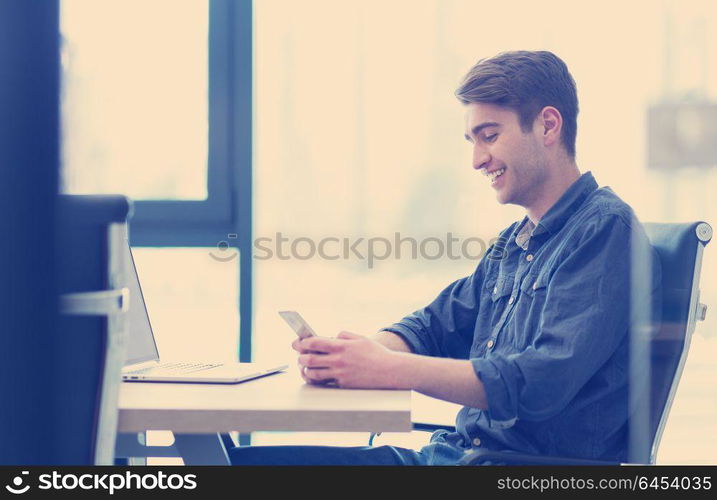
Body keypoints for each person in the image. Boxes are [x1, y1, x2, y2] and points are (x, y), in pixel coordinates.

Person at [229, 50, 661, 465]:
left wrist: (388, 369)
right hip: (456, 456)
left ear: (548, 126)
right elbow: (435, 325)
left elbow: (536, 383)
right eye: (472, 141)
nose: (477, 160)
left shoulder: (605, 231)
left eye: (490, 136)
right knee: (228, 464)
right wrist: (354, 358)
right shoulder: (516, 241)